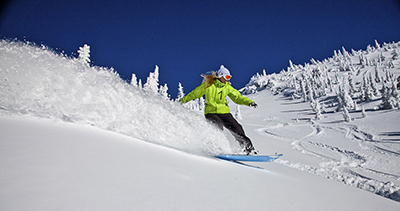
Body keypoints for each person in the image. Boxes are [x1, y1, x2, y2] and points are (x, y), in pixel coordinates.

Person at [180, 65, 258, 155]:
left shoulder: (227, 87)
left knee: (237, 128)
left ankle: (248, 149)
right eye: (226, 77)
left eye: (229, 77)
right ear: (221, 75)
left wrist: (249, 102)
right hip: (211, 112)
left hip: (225, 113)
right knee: (217, 126)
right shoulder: (208, 85)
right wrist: (182, 101)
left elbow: (238, 97)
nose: (227, 79)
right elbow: (194, 94)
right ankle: (216, 148)